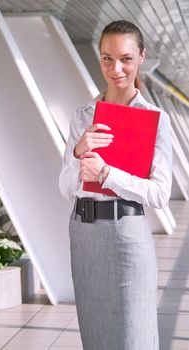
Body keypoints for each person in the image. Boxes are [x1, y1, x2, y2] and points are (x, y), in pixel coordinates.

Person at [59, 20, 172, 350]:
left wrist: (108, 174)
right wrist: (78, 154)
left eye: (125, 58)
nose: (116, 69)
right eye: (107, 58)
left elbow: (160, 194)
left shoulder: (154, 119)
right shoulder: (82, 116)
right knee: (96, 337)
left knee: (133, 337)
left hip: (127, 236)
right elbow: (65, 188)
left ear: (141, 57)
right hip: (83, 234)